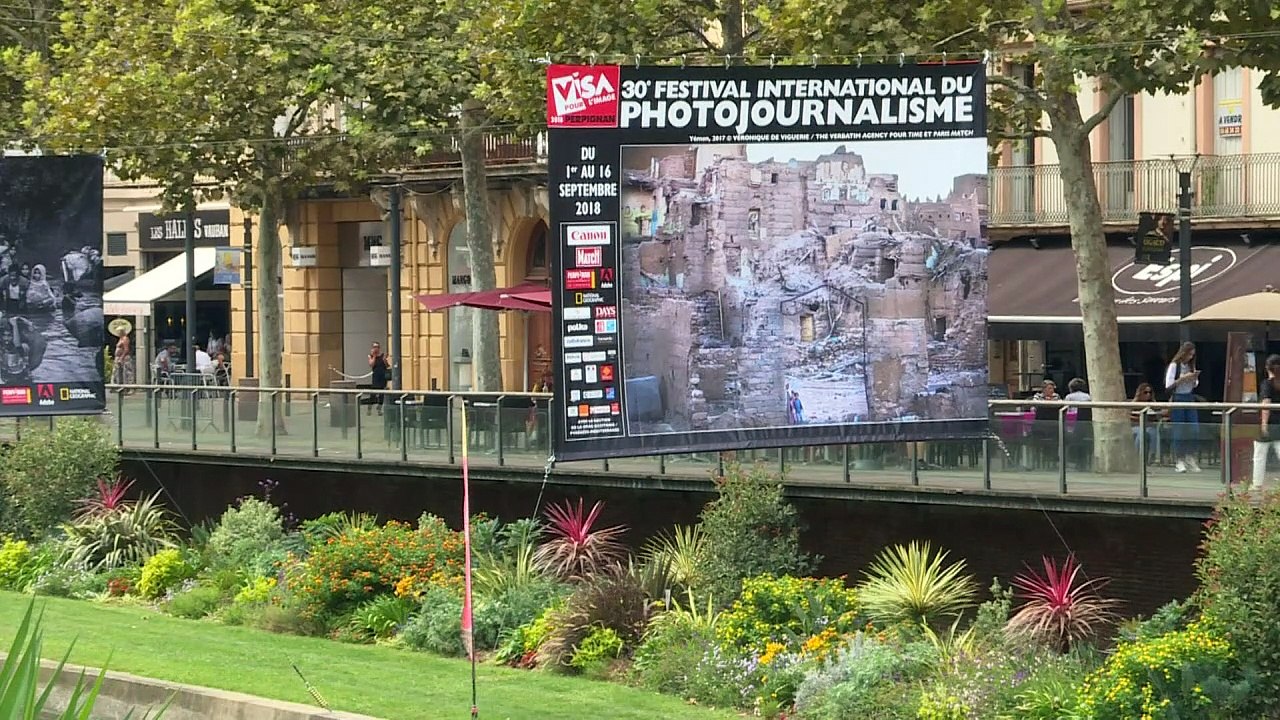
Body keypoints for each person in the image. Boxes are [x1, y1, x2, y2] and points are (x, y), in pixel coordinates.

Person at [1165, 341, 1202, 473]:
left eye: (1193, 355)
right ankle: (1179, 459)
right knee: (1179, 430)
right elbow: (1168, 385)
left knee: (1194, 429)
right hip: (1178, 397)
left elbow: (1196, 384)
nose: (1191, 357)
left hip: (1189, 397)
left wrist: (1193, 379)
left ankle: (1190, 456)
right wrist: (1182, 379)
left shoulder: (1191, 366)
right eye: (1189, 354)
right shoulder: (1175, 366)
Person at [1253, 354, 1280, 490]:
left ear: (1267, 368)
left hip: (1270, 423)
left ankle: (1257, 484)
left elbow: (1266, 405)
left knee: (1259, 454)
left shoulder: (1267, 384)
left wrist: (1264, 424)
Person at [1130, 383, 1163, 463]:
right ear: (1140, 393)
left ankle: (1152, 457)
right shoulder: (1134, 403)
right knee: (1141, 433)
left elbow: (1159, 415)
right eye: (1145, 392)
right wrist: (1140, 417)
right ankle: (1137, 457)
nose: (1148, 395)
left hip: (1149, 426)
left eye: (1150, 392)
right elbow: (1127, 416)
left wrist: (1155, 414)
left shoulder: (1153, 404)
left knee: (1153, 433)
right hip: (1136, 426)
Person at [368, 341, 390, 415]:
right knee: (373, 394)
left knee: (381, 394)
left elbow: (387, 366)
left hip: (382, 376)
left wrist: (384, 360)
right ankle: (369, 408)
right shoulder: (371, 356)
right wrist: (374, 356)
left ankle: (379, 409)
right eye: (374, 347)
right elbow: (371, 364)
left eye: (377, 347)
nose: (376, 348)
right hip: (375, 377)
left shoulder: (382, 356)